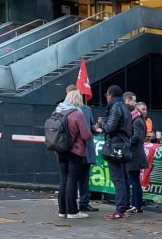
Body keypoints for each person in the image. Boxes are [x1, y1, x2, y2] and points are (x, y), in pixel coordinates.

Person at [51, 90, 92, 219]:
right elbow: (86, 135)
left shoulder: (57, 111)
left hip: (60, 149)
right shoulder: (77, 114)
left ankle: (62, 210)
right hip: (75, 151)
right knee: (72, 178)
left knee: (63, 178)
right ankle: (72, 211)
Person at [99, 85, 132, 220]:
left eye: (107, 95)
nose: (106, 98)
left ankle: (119, 210)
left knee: (118, 179)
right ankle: (124, 206)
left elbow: (110, 127)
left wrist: (102, 123)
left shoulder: (115, 107)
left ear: (111, 95)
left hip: (115, 147)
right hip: (123, 146)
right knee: (123, 178)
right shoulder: (124, 107)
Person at [65, 84, 99, 213]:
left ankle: (69, 205)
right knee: (81, 177)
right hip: (82, 149)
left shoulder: (63, 109)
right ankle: (82, 203)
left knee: (71, 177)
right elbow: (89, 130)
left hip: (69, 149)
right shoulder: (84, 110)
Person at [122, 92, 147, 214]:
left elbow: (137, 137)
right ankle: (135, 204)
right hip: (134, 154)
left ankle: (137, 205)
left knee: (135, 181)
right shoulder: (136, 119)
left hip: (135, 155)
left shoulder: (136, 120)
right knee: (134, 180)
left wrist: (126, 142)